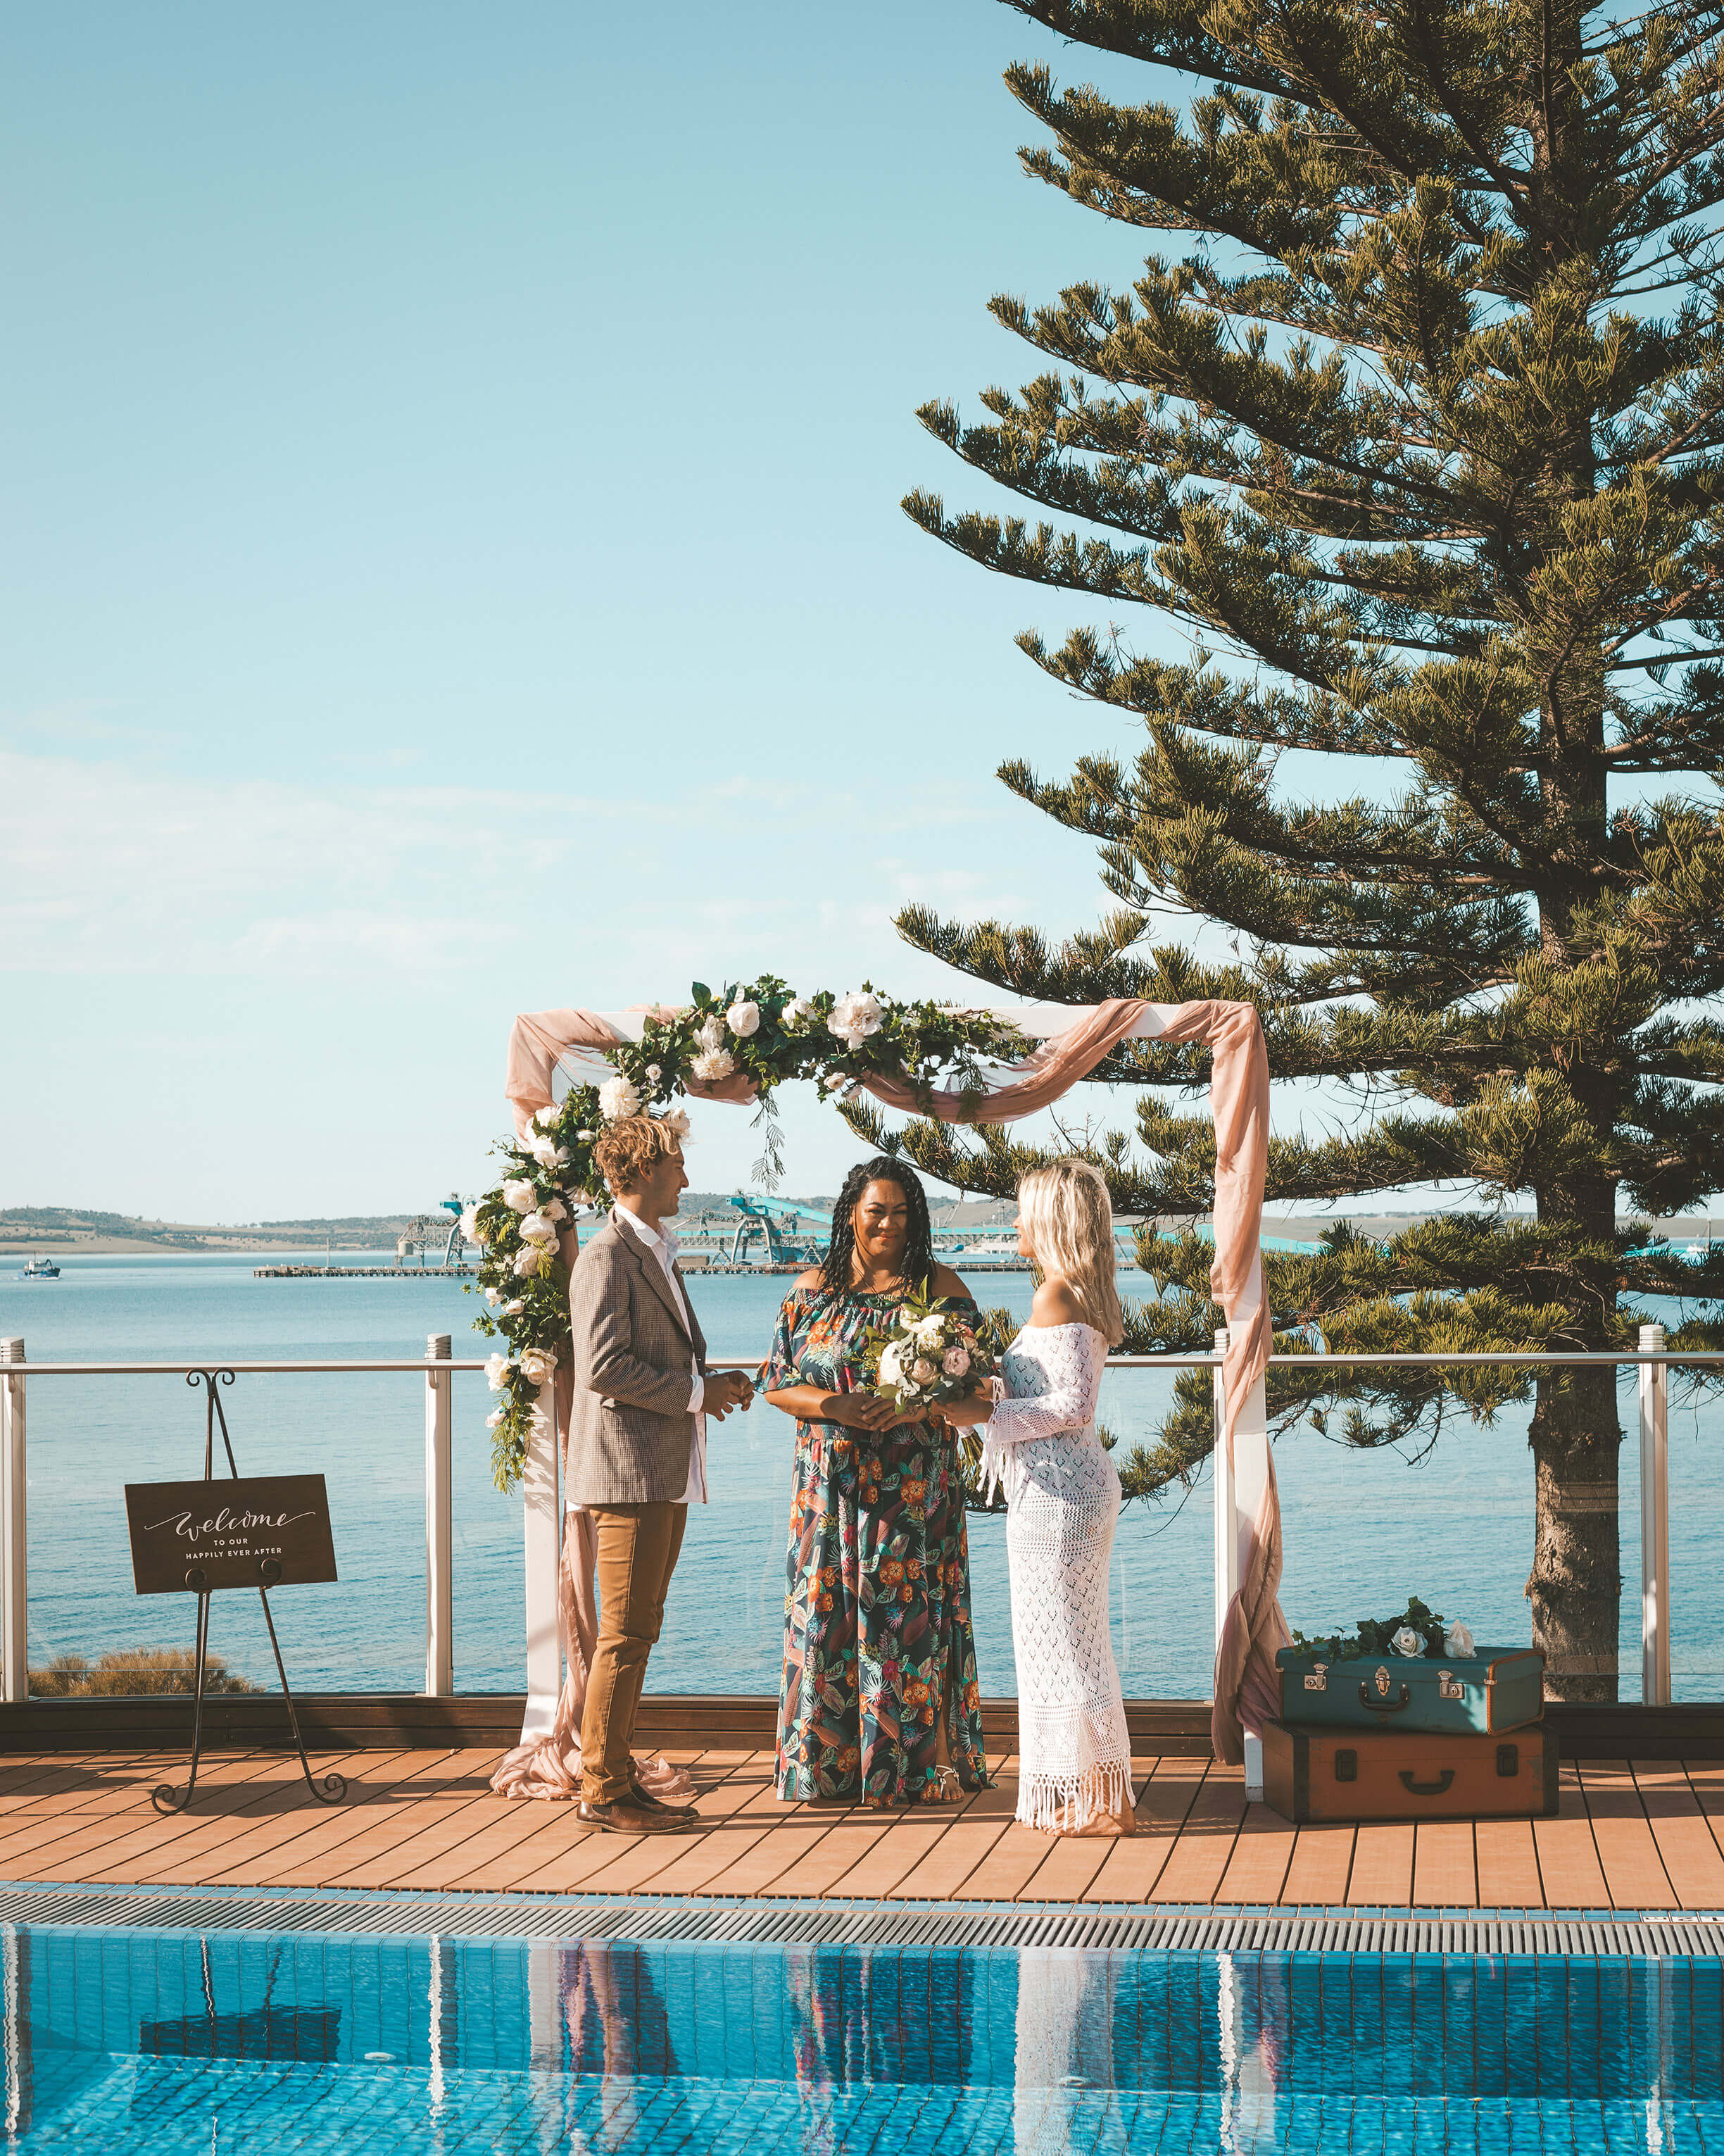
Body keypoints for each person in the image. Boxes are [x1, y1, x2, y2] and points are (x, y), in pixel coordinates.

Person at [764, 1156, 988, 1805]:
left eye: (900, 1212)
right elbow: (776, 1384)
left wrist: (918, 1405)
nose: (888, 1223)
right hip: (827, 1496)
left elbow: (973, 1383)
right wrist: (832, 1406)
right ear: (851, 1217)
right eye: (875, 1212)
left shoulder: (940, 1288)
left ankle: (918, 1769)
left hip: (911, 1493)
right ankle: (829, 1771)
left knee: (906, 1623)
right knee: (825, 1622)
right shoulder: (811, 1289)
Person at [567, 1113, 754, 1834]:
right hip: (628, 1474)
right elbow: (603, 1368)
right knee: (624, 1630)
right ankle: (602, 1788)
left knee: (639, 1627)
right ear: (643, 1168)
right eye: (676, 1162)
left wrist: (711, 1383)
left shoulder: (650, 1250)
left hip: (661, 1469)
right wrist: (699, 1394)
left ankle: (614, 1778)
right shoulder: (607, 1256)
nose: (686, 1175)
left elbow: (654, 1359)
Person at [943, 1159, 1136, 1836]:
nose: (1015, 1221)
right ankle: (1093, 1790)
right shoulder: (1073, 1294)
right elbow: (1057, 1394)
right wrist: (987, 1387)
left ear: (1053, 1219)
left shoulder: (1055, 1297)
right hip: (1057, 1492)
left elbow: (1073, 1405)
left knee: (1065, 1644)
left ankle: (1105, 1801)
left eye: (1024, 1210)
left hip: (1061, 1499)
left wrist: (978, 1416)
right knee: (1066, 1641)